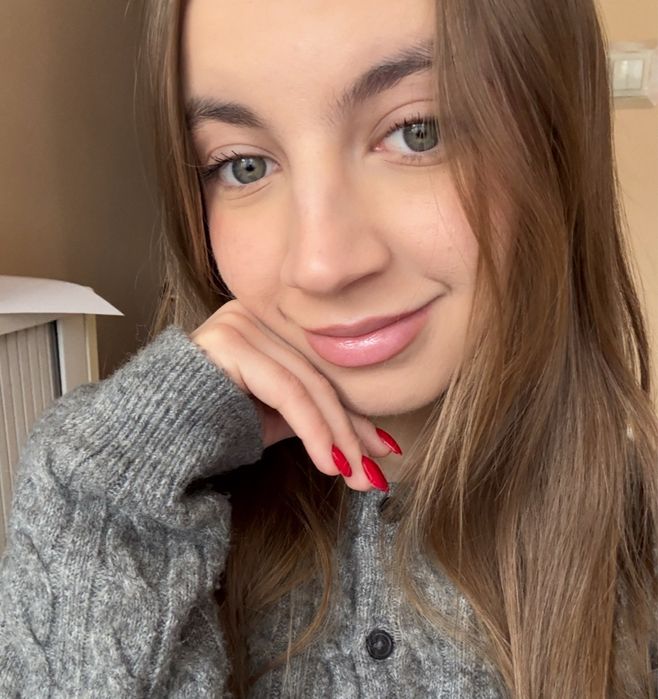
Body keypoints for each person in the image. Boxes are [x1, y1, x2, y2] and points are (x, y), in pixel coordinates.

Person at [1, 0, 657, 696]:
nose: (321, 265)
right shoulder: (143, 516)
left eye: (418, 131)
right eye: (244, 165)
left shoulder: (636, 551)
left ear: (555, 139)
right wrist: (105, 490)